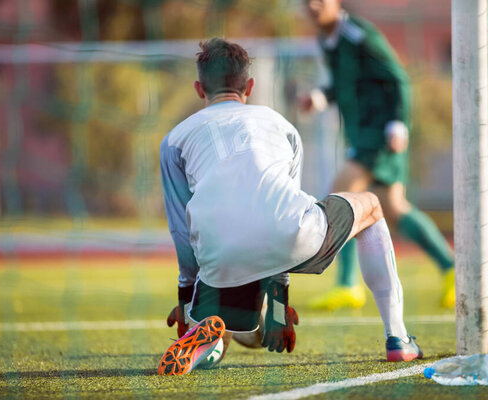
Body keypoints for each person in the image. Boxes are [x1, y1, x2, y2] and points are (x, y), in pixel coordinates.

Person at [157, 38, 423, 375]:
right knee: (370, 205)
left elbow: (181, 228)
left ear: (199, 89)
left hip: (219, 255)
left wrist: (185, 296)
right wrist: (279, 307)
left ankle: (205, 336)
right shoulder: (279, 124)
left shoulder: (175, 139)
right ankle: (397, 338)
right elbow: (280, 207)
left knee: (215, 318)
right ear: (249, 86)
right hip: (291, 240)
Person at [299, 0, 455, 310]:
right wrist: (320, 97)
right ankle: (452, 268)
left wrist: (399, 123)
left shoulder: (359, 34)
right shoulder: (327, 39)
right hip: (363, 134)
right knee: (395, 209)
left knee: (340, 196)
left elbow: (397, 77)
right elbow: (346, 84)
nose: (313, 6)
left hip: (379, 136)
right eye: (307, 2)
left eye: (320, 0)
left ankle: (346, 285)